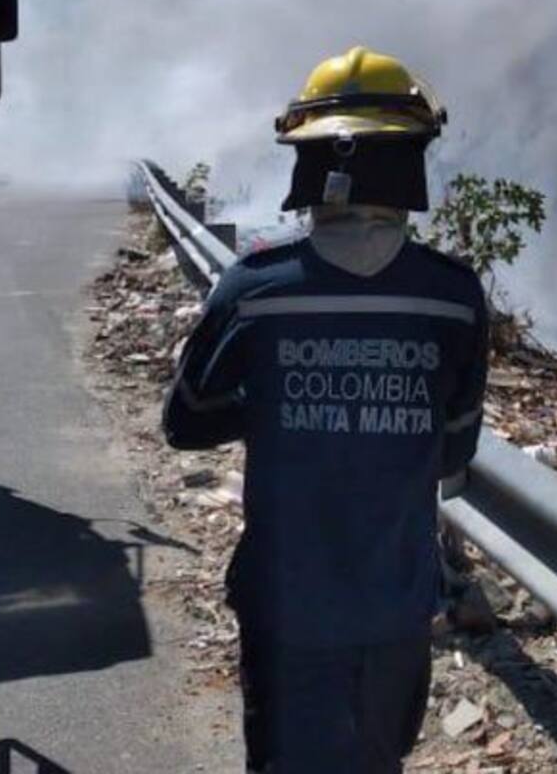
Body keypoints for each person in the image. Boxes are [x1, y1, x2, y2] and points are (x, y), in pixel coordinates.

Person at [163, 46, 489, 773]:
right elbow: (452, 453)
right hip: (395, 608)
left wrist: (274, 406)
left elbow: (184, 423)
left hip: (284, 604)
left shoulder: (255, 289)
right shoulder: (452, 298)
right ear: (410, 161)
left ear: (307, 164)